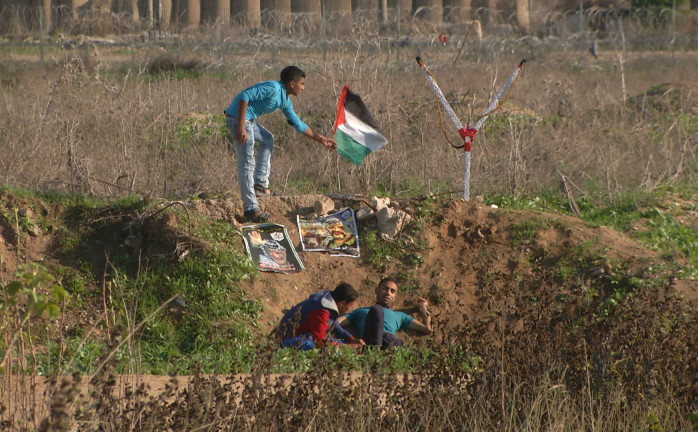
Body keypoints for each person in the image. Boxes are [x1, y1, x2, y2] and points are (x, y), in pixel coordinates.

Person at [224, 65, 338, 223]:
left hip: (248, 122)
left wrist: (322, 139)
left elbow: (298, 124)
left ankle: (260, 186)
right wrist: (241, 127)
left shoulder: (284, 100)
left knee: (267, 139)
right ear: (292, 83)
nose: (303, 88)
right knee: (247, 163)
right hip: (238, 120)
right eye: (302, 84)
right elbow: (245, 95)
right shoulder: (273, 87)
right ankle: (250, 209)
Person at [338, 277, 432, 349]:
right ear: (376, 290)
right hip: (370, 340)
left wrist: (424, 308)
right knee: (377, 310)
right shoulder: (361, 311)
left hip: (390, 341)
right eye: (385, 289)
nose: (388, 293)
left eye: (392, 291)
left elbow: (427, 329)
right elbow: (335, 323)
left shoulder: (399, 315)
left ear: (395, 297)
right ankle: (376, 351)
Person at [277, 282, 364, 350]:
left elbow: (333, 326)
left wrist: (350, 338)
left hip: (305, 336)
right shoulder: (321, 311)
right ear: (342, 303)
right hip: (288, 340)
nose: (350, 309)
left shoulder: (328, 305)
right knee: (326, 349)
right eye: (350, 306)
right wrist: (346, 348)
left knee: (338, 344)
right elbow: (319, 342)